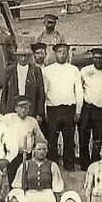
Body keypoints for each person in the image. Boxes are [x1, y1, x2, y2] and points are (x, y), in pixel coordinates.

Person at [43, 43, 83, 171]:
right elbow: (44, 91)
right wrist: (44, 110)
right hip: (53, 109)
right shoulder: (47, 70)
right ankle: (53, 165)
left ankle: (69, 164)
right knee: (52, 139)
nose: (62, 54)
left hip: (69, 109)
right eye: (59, 52)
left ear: (68, 53)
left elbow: (79, 91)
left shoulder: (74, 70)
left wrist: (78, 111)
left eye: (65, 52)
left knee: (69, 139)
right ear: (55, 54)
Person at [78, 47, 102, 169]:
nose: (98, 60)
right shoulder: (85, 71)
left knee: (98, 138)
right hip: (87, 107)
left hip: (101, 110)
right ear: (92, 58)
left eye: (100, 58)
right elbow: (80, 88)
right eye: (95, 58)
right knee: (84, 136)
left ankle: (95, 163)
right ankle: (84, 163)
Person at [0, 96, 44, 184]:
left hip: (26, 156)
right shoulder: (8, 119)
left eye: (26, 108)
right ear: (16, 108)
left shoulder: (32, 121)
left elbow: (40, 140)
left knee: (26, 181)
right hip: (12, 157)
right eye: (21, 107)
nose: (23, 110)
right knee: (13, 181)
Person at [1, 45, 46, 119]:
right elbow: (5, 91)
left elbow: (40, 93)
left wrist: (40, 113)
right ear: (17, 56)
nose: (23, 59)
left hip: (30, 109)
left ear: (29, 57)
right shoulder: (10, 70)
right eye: (20, 56)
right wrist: (3, 110)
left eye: (25, 56)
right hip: (12, 108)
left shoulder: (36, 71)